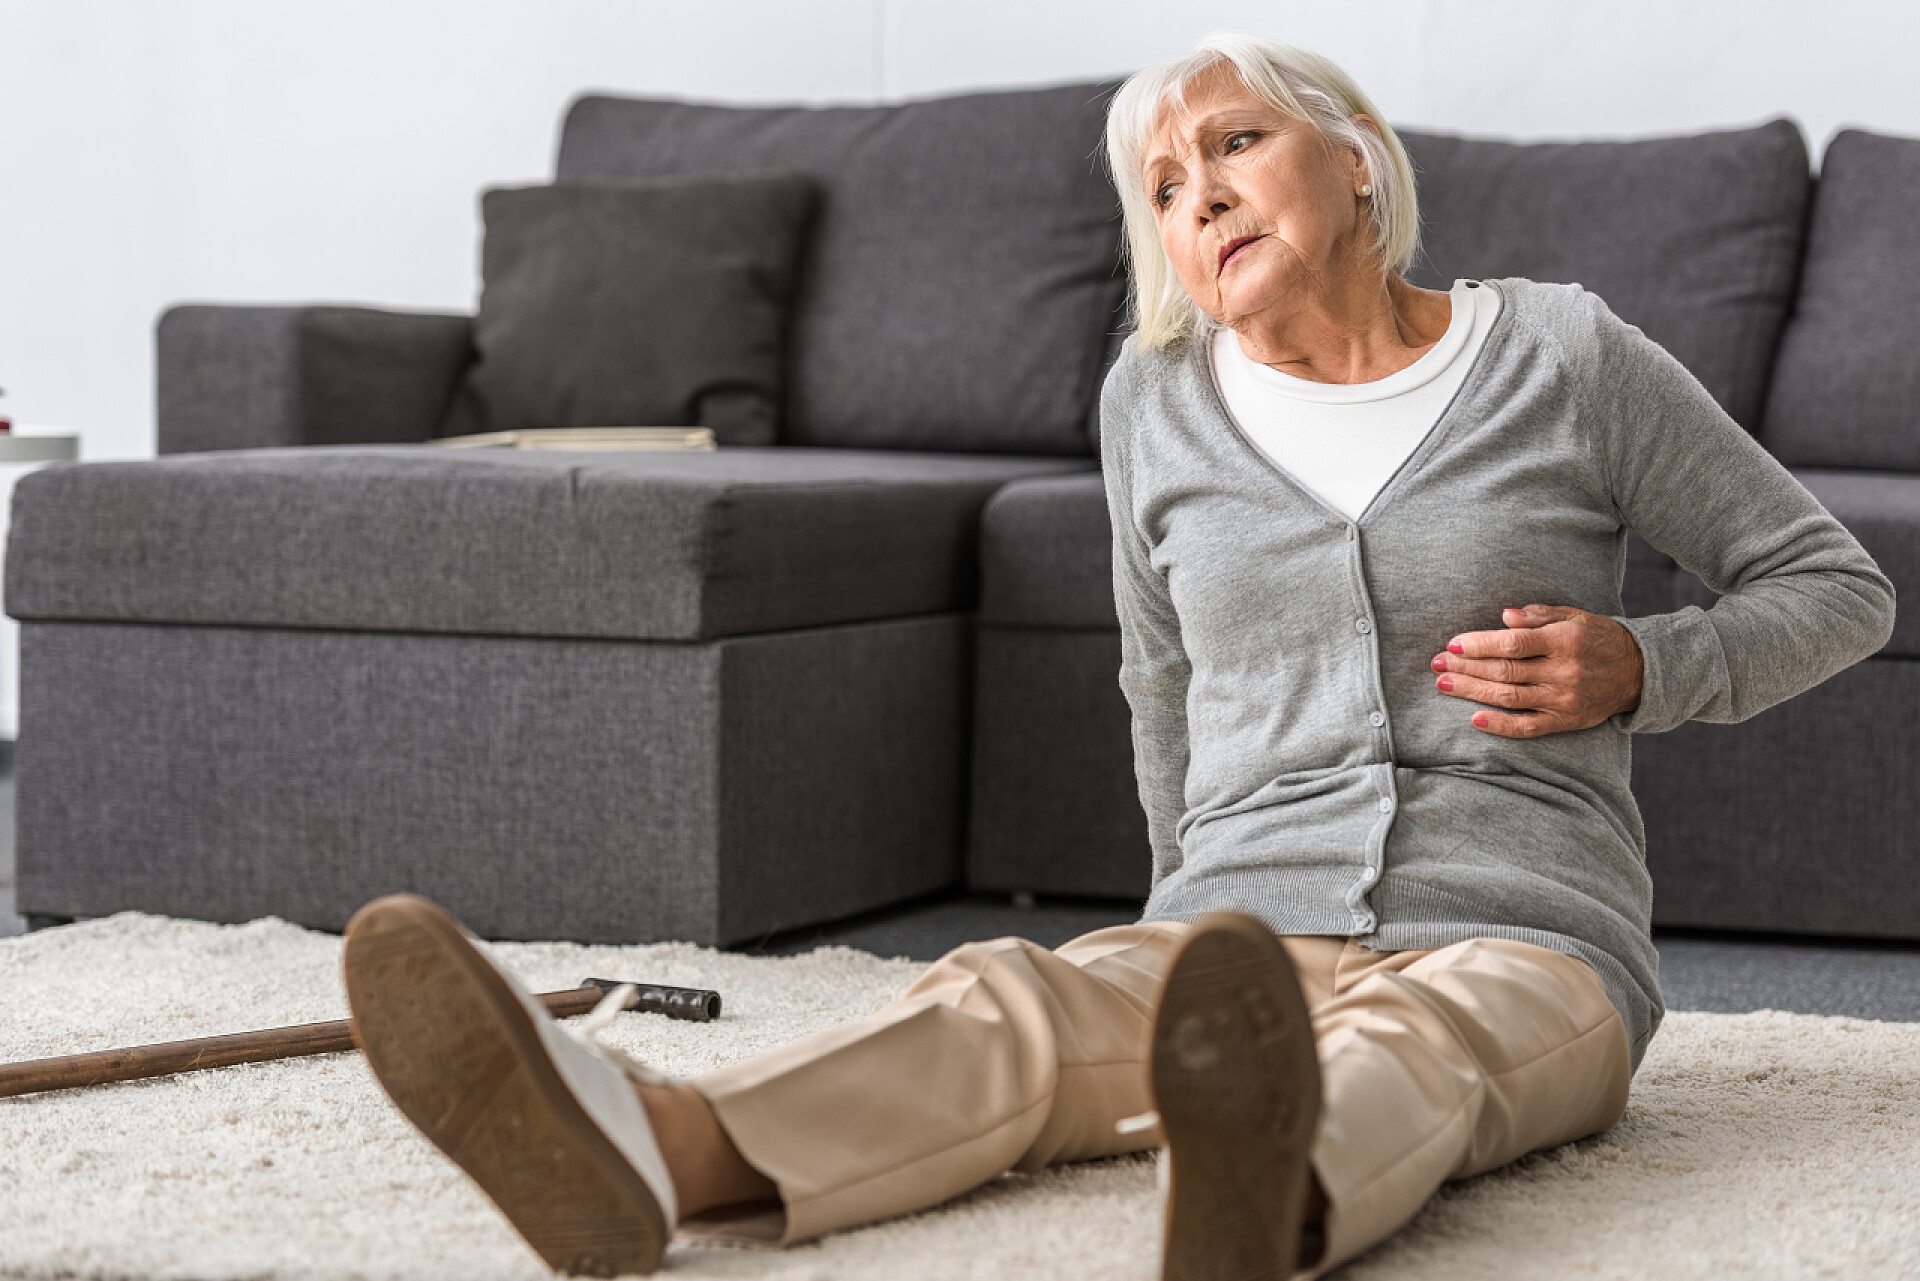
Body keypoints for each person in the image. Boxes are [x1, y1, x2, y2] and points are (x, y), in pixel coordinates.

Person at [340, 33, 1896, 1281]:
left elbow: (1836, 584)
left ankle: (1261, 1182)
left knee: (1426, 1041)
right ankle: (650, 1149)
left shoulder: (1562, 354)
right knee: (1018, 999)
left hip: (1526, 927)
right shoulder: (1154, 404)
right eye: (1161, 184)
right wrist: (1168, 937)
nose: (1197, 193)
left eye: (1233, 143)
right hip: (1239, 915)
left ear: (1353, 161)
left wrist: (1647, 663)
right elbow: (1160, 692)